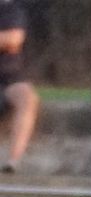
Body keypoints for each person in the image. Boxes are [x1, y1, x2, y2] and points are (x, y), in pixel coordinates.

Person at [0, 0, 39, 173]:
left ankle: (12, 161)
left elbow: (14, 39)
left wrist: (7, 40)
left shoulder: (9, 8)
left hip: (9, 76)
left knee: (27, 98)